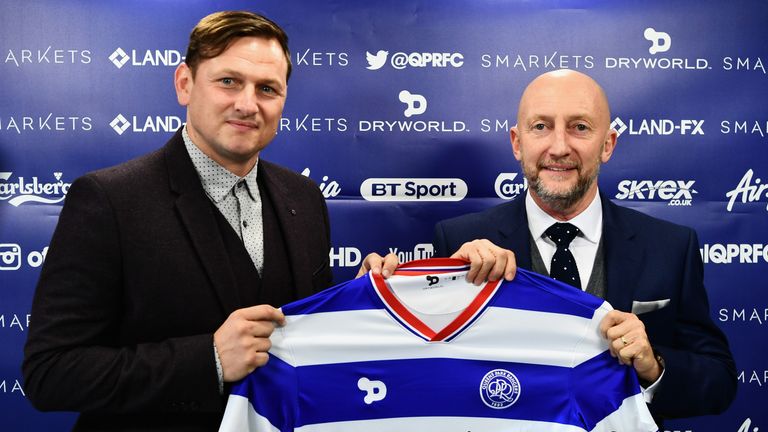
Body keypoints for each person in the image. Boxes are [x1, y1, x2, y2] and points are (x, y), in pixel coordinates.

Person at [360, 69, 736, 424]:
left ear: (607, 144)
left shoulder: (670, 246)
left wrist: (653, 365)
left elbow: (718, 383)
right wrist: (374, 296)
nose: (559, 147)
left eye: (580, 128)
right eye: (541, 127)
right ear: (516, 143)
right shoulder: (459, 241)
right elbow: (423, 376)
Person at [22, 11, 332, 432]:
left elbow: (311, 332)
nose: (247, 103)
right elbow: (51, 373)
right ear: (185, 84)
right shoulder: (107, 200)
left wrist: (369, 295)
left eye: (267, 89)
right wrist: (210, 360)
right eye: (228, 81)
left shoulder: (305, 197)